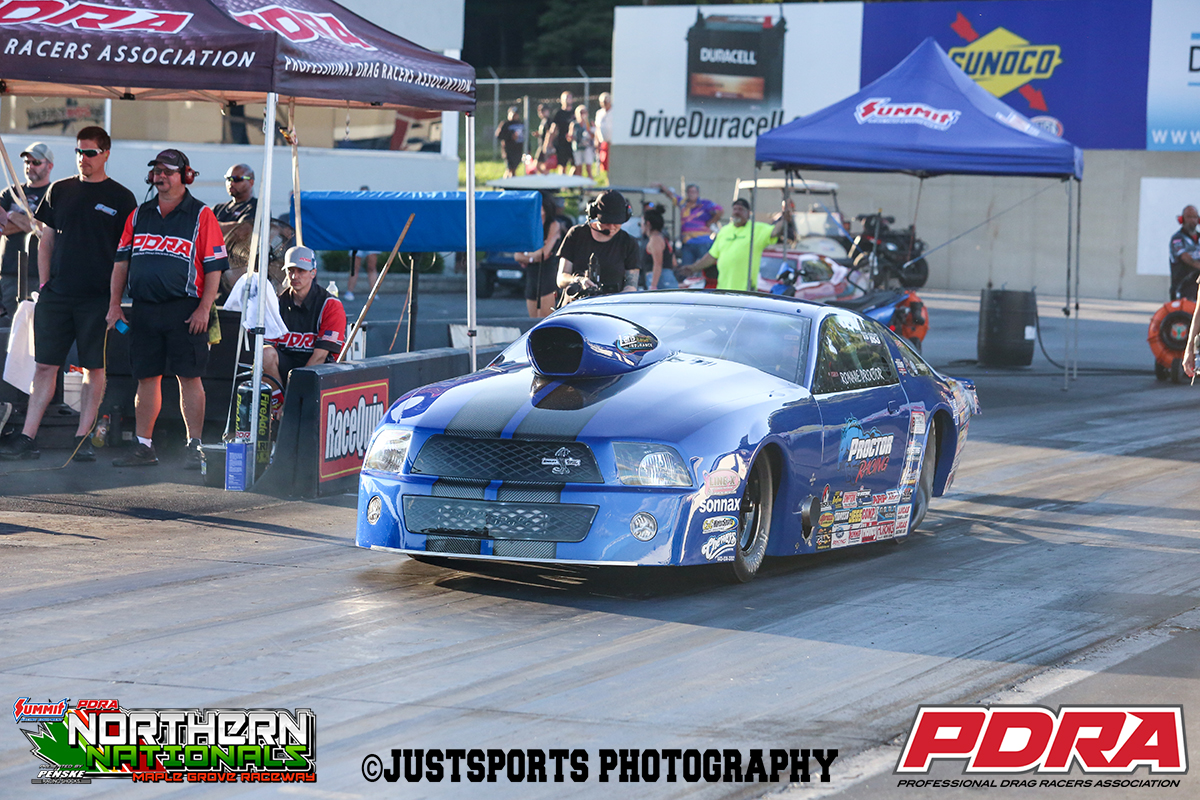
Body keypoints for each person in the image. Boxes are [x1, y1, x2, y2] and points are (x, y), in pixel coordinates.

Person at [0, 127, 136, 462]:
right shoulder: (59, 190)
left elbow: (125, 255)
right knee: (45, 365)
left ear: (105, 154)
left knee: (93, 367)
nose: (83, 159)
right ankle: (28, 436)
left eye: (90, 153)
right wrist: (45, 285)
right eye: (79, 152)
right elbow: (45, 240)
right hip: (57, 295)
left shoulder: (122, 197)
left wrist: (115, 302)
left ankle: (82, 438)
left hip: (97, 298)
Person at [106, 149, 227, 468]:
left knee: (189, 377)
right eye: (157, 171)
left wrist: (204, 308)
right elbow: (121, 263)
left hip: (185, 310)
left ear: (185, 176)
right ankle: (143, 446)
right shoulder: (139, 215)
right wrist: (114, 305)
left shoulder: (201, 215)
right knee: (146, 377)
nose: (161, 176)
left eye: (168, 171)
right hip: (145, 308)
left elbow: (214, 267)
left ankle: (194, 446)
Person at [262, 246, 345, 407]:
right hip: (286, 366)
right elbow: (267, 350)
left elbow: (320, 357)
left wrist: (294, 397)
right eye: (291, 271)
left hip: (320, 371)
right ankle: (277, 406)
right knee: (264, 354)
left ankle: (288, 407)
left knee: (317, 363)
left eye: (301, 271)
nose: (295, 276)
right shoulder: (277, 303)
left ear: (313, 273)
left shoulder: (330, 305)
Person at [681, 198, 790, 292]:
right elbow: (712, 256)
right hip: (723, 291)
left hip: (746, 291)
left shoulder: (756, 229)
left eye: (741, 209)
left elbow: (775, 231)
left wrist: (784, 219)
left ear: (748, 213)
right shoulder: (724, 231)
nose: (737, 212)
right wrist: (694, 268)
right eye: (735, 209)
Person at [0, 142, 53, 320]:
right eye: (27, 162)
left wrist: (13, 216)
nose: (30, 166)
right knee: (9, 326)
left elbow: (45, 228)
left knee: (38, 323)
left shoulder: (53, 194)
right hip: (9, 274)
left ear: (49, 166)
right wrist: (31, 222)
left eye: (36, 162)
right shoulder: (9, 193)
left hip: (40, 274)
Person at [556, 190, 640, 300]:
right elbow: (561, 278)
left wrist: (617, 300)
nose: (611, 227)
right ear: (594, 214)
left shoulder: (628, 242)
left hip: (611, 306)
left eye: (617, 222)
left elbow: (631, 285)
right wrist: (577, 280)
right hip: (576, 305)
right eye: (606, 222)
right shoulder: (576, 234)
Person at [513, 192, 565, 318]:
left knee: (545, 317)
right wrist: (533, 257)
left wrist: (528, 256)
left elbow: (543, 254)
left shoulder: (553, 224)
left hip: (548, 273)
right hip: (532, 274)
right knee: (532, 317)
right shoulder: (528, 226)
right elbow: (517, 256)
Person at [657, 182, 723, 265]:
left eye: (693, 192)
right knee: (687, 267)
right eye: (689, 192)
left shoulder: (705, 203)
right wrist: (661, 186)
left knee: (704, 266)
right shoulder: (683, 203)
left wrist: (711, 222)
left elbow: (720, 210)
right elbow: (672, 195)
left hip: (703, 241)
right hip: (687, 242)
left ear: (697, 193)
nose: (691, 194)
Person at [345, 185, 377, 301]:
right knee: (355, 267)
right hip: (357, 240)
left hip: (371, 239)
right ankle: (349, 292)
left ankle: (374, 293)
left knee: (372, 267)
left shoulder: (373, 209)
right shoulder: (355, 208)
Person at [640, 204, 678, 291]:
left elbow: (658, 264)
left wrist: (653, 286)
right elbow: (674, 262)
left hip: (661, 282)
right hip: (667, 279)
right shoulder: (663, 238)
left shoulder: (655, 240)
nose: (641, 226)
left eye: (641, 223)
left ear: (648, 223)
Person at [212, 163, 257, 234]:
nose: (231, 183)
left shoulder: (257, 207)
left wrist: (211, 226)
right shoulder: (217, 209)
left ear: (251, 182)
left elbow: (243, 230)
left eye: (237, 179)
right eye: (228, 179)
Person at [1169, 205, 1199, 301]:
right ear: (1182, 219)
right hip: (1182, 290)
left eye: (1194, 217)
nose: (1192, 220)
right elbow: (1186, 258)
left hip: (1197, 289)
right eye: (1189, 217)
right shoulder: (1177, 239)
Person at [495, 106, 526, 178]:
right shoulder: (505, 124)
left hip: (518, 149)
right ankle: (510, 182)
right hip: (508, 149)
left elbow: (525, 136)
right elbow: (499, 136)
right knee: (510, 168)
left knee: (514, 168)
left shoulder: (521, 124)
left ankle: (508, 181)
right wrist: (510, 136)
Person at [549, 91, 575, 175]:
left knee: (576, 164)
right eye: (566, 98)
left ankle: (571, 180)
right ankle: (563, 182)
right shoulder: (558, 113)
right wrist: (549, 142)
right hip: (562, 143)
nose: (568, 100)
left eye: (570, 98)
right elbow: (553, 128)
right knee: (562, 165)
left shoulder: (575, 113)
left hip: (573, 142)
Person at [571, 105, 596, 179]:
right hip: (577, 148)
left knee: (588, 168)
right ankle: (580, 185)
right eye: (581, 112)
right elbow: (571, 136)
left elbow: (593, 136)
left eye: (584, 112)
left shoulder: (590, 123)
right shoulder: (574, 124)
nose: (582, 114)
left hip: (587, 148)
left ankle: (590, 184)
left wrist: (589, 129)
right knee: (578, 168)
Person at [594, 92, 613, 175]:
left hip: (613, 143)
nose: (605, 103)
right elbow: (597, 128)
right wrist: (597, 141)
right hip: (603, 143)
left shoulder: (615, 112)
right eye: (603, 101)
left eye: (606, 101)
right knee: (605, 165)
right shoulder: (599, 113)